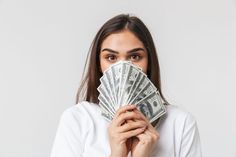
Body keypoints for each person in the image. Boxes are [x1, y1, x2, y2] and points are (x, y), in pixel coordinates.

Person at [50, 14, 202, 157]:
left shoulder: (180, 123)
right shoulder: (77, 119)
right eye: (111, 57)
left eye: (135, 56)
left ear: (149, 62)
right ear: (98, 64)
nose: (123, 67)